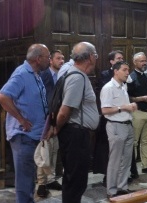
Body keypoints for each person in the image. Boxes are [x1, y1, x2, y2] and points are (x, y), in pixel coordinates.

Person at [0, 44, 50, 202]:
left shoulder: (36, 74)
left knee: (29, 179)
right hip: (23, 136)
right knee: (24, 181)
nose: (49, 60)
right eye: (47, 57)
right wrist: (21, 119)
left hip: (33, 135)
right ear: (38, 58)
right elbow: (2, 97)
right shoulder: (22, 74)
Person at [51, 42, 100, 203]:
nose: (96, 59)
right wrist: (55, 129)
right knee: (75, 181)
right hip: (75, 135)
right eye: (96, 55)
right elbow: (65, 110)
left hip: (77, 134)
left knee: (75, 179)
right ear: (91, 57)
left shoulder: (77, 75)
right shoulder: (77, 77)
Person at [100, 61, 138, 198]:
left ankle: (122, 187)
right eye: (124, 70)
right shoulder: (108, 88)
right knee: (115, 159)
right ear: (116, 71)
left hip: (127, 124)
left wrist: (131, 107)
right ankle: (112, 190)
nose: (128, 72)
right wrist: (124, 107)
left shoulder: (123, 87)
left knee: (126, 159)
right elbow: (104, 110)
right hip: (116, 125)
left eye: (128, 70)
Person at [36, 50, 64, 197]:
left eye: (63, 58)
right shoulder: (44, 75)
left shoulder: (62, 76)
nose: (62, 61)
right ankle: (41, 183)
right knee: (44, 152)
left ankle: (51, 179)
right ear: (51, 61)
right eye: (58, 58)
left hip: (57, 118)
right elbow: (45, 99)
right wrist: (50, 123)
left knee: (54, 150)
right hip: (46, 119)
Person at [127, 52, 147, 174]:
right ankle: (133, 168)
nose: (144, 63)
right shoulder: (130, 78)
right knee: (134, 141)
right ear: (134, 62)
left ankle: (146, 165)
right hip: (138, 112)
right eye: (141, 61)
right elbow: (128, 97)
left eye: (145, 60)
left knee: (146, 141)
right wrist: (141, 99)